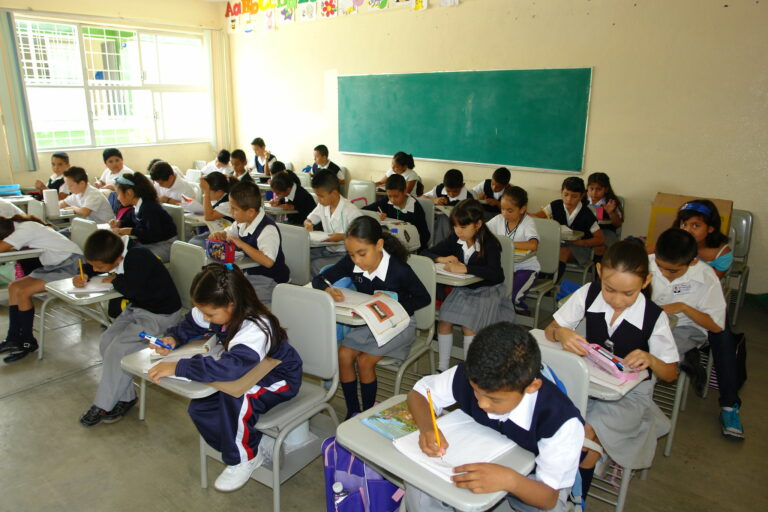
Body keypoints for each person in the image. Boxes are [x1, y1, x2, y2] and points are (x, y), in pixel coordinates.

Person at [148, 263, 302, 492]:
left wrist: (180, 367)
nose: (206, 317)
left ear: (231, 305)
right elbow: (191, 324)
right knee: (199, 408)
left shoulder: (256, 326)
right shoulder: (218, 309)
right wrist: (173, 339)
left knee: (238, 399)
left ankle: (244, 458)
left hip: (279, 377)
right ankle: (252, 444)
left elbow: (231, 370)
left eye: (210, 314)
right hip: (249, 372)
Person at [544, 240, 679, 500]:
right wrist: (561, 333)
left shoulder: (654, 317)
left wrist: (651, 359)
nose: (617, 300)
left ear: (646, 281)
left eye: (628, 294)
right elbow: (551, 329)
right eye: (609, 289)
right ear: (598, 272)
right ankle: (567, 481)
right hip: (587, 383)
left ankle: (574, 497)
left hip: (630, 396)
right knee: (554, 423)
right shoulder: (589, 293)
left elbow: (671, 373)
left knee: (584, 439)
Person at [405, 323, 584, 512]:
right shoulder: (473, 375)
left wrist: (509, 480)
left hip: (533, 483)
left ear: (532, 386)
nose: (482, 404)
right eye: (476, 391)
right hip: (481, 459)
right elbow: (419, 394)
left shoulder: (560, 420)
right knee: (422, 484)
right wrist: (428, 428)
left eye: (494, 399)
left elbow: (548, 499)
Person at [312, 216, 430, 419]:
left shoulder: (399, 270)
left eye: (361, 253)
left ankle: (366, 413)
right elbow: (319, 278)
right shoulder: (352, 262)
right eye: (351, 254)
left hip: (400, 323)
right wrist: (328, 289)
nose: (356, 260)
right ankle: (353, 410)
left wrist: (394, 301)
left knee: (365, 361)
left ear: (379, 245)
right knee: (344, 355)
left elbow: (423, 298)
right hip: (370, 321)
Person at [76, 230, 182, 426]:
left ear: (118, 258)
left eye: (100, 267)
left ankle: (103, 405)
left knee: (118, 350)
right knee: (106, 341)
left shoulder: (139, 257)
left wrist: (115, 278)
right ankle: (126, 398)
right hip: (139, 308)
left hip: (160, 315)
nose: (96, 269)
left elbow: (130, 287)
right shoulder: (114, 252)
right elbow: (94, 266)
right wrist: (82, 275)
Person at [649, 228, 743, 439]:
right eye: (660, 266)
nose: (664, 273)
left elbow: (717, 327)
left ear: (692, 262)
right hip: (650, 323)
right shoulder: (646, 263)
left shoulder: (706, 277)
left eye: (672, 271)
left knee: (653, 361)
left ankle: (642, 420)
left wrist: (683, 307)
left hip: (686, 327)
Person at [423, 199, 505, 371]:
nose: (457, 231)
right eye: (455, 226)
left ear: (478, 224)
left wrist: (465, 268)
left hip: (488, 290)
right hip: (464, 290)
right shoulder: (456, 238)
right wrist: (440, 258)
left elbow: (496, 274)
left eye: (463, 227)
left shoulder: (489, 244)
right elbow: (426, 252)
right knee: (444, 321)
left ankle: (468, 370)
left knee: (469, 326)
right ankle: (442, 369)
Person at [0, 214, 82, 362]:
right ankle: (13, 338)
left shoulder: (24, 229)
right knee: (14, 287)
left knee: (24, 292)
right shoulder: (18, 226)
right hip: (55, 265)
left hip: (72, 266)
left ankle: (27, 342)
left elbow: (2, 248)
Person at [208, 181, 290, 306]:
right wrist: (220, 234)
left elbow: (268, 262)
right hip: (251, 273)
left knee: (237, 300)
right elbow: (229, 233)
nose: (231, 212)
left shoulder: (267, 229)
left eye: (234, 209)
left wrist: (241, 244)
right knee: (224, 291)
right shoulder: (242, 222)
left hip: (271, 279)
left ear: (251, 212)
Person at [534, 177, 605, 281]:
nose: (568, 199)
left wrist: (581, 242)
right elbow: (536, 217)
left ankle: (550, 283)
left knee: (563, 251)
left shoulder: (587, 213)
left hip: (581, 248)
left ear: (581, 196)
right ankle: (539, 278)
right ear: (561, 192)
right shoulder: (555, 205)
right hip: (558, 244)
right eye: (566, 194)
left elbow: (600, 239)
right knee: (543, 247)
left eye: (574, 196)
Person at [486, 186, 541, 309]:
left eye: (510, 210)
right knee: (491, 292)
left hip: (526, 268)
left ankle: (521, 310)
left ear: (522, 209)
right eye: (502, 209)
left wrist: (507, 243)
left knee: (513, 296)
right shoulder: (498, 219)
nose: (505, 214)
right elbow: (483, 233)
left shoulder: (528, 222)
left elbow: (533, 245)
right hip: (504, 268)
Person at [304, 170, 362, 276]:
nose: (318, 200)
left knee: (315, 264)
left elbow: (362, 237)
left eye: (321, 196)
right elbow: (309, 219)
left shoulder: (351, 211)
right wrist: (308, 223)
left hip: (345, 254)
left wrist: (342, 237)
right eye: (317, 195)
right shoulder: (322, 205)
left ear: (334, 193)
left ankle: (319, 290)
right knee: (302, 258)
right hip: (327, 249)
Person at [109, 173, 178, 262]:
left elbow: (153, 234)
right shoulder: (137, 206)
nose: (118, 198)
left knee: (132, 259)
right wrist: (119, 223)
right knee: (120, 254)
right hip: (150, 244)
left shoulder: (149, 208)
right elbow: (131, 221)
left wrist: (130, 231)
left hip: (165, 246)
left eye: (118, 194)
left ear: (129, 193)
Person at [363, 174, 430, 252]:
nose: (392, 200)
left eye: (396, 196)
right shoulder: (386, 201)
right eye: (389, 196)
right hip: (391, 245)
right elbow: (365, 210)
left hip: (411, 248)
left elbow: (425, 235)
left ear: (405, 191)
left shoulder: (415, 208)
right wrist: (377, 215)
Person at [673, 199, 732, 279]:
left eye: (695, 226)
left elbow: (712, 283)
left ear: (710, 228)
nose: (687, 230)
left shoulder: (722, 254)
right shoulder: (673, 241)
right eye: (684, 224)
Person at [586, 172, 623, 254]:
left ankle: (599, 265)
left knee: (601, 247)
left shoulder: (611, 201)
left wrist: (611, 213)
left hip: (605, 231)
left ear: (606, 189)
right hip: (587, 230)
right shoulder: (582, 199)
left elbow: (618, 224)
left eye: (598, 189)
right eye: (591, 189)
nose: (594, 193)